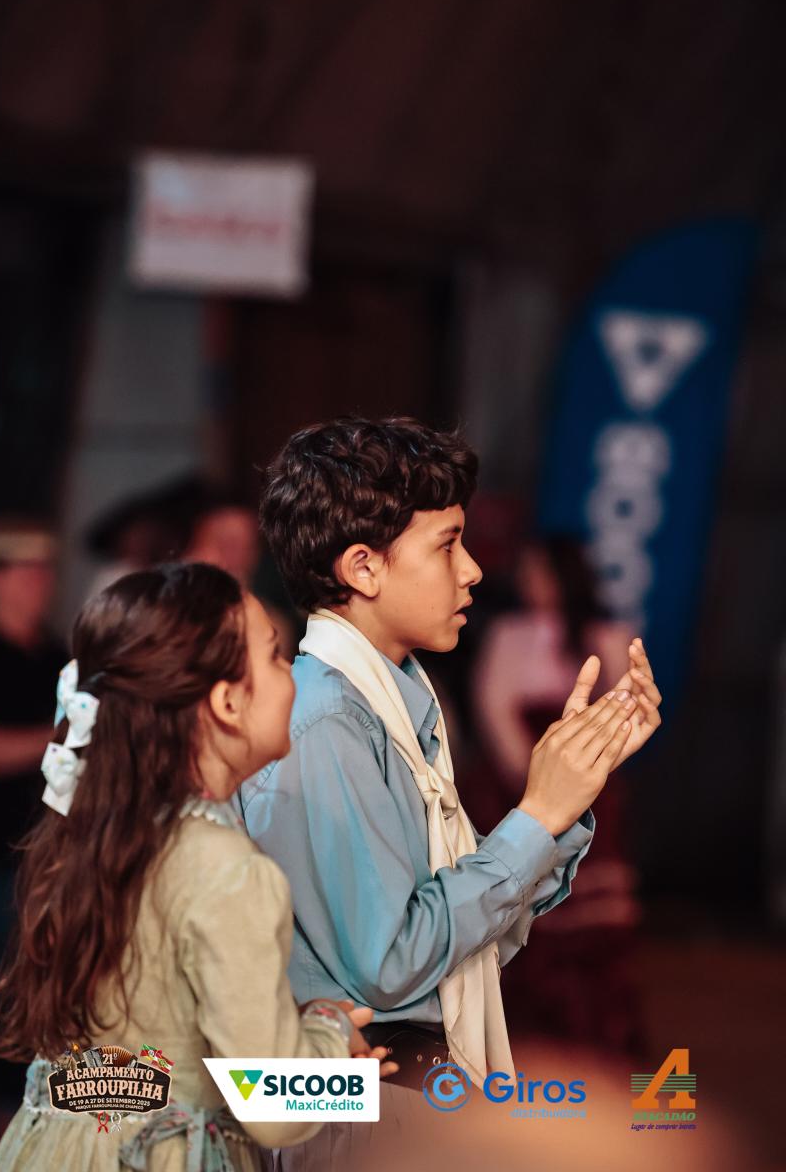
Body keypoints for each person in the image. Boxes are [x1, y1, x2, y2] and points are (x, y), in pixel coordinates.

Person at [238, 417, 662, 1171]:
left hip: (401, 1094)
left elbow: (472, 932)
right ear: (364, 569)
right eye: (447, 545)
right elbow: (394, 962)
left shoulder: (396, 702)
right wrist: (537, 816)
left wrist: (567, 797)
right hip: (355, 1104)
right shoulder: (329, 722)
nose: (472, 571)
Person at [0, 563, 395, 1172]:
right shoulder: (228, 869)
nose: (291, 675)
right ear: (228, 702)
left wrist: (330, 1072)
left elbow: (146, 1059)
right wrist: (333, 1035)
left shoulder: (94, 834)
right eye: (275, 655)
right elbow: (272, 1109)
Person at [472, 535, 647, 1050]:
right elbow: (492, 704)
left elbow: (625, 715)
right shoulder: (509, 633)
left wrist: (588, 772)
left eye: (541, 572)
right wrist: (533, 777)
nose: (532, 583)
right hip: (521, 785)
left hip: (592, 786)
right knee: (522, 905)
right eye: (526, 573)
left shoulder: (609, 637)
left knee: (591, 919)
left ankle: (598, 1039)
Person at [0, 519, 69, 1124]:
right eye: (25, 569)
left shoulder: (54, 653)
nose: (40, 581)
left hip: (49, 854)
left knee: (38, 984)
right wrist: (59, 736)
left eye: (45, 569)